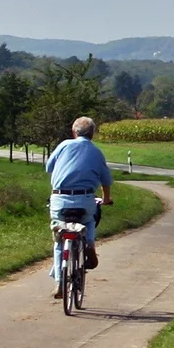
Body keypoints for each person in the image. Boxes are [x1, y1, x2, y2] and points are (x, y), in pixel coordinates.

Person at [45, 116, 114, 275]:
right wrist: (106, 199)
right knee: (90, 220)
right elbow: (106, 180)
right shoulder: (97, 152)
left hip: (60, 200)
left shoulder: (64, 145)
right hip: (85, 199)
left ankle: (58, 281)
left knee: (58, 236)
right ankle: (89, 243)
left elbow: (49, 167)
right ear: (92, 134)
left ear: (74, 132)